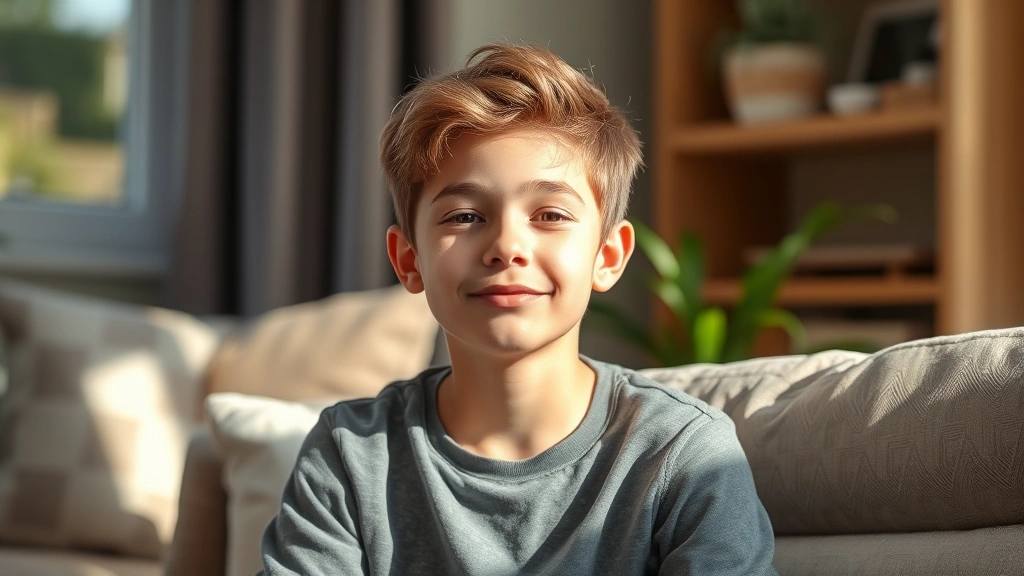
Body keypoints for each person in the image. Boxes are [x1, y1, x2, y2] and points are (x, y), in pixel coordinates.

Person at [260, 43, 777, 575]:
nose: (506, 246)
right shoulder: (349, 455)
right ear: (408, 260)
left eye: (550, 214)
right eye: (463, 217)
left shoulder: (683, 452)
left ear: (608, 256)